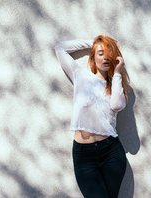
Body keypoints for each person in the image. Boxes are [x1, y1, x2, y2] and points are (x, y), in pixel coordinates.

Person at [55, 35, 130, 198]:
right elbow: (60, 48)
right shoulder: (80, 75)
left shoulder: (116, 86)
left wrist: (117, 73)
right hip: (84, 156)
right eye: (100, 53)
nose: (105, 57)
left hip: (111, 152)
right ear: (93, 57)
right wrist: (95, 42)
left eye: (109, 53)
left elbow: (117, 105)